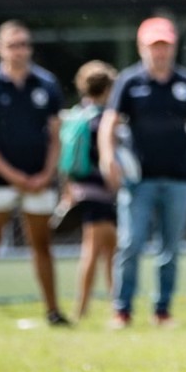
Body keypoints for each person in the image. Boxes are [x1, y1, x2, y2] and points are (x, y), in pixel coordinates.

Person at [99, 16, 186, 328]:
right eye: (154, 46)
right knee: (131, 243)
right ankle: (122, 310)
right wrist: (107, 156)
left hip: (179, 178)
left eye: (165, 45)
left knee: (170, 249)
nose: (160, 52)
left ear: (173, 47)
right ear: (142, 47)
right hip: (138, 180)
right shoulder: (129, 82)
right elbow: (109, 123)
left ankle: (162, 310)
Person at [0, 19, 67, 328]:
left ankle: (53, 312)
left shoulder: (46, 83)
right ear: (0, 48)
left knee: (42, 245)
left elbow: (55, 136)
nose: (19, 51)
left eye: (24, 44)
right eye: (12, 45)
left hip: (39, 180)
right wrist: (14, 175)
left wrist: (46, 173)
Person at [61, 61, 120, 320]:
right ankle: (83, 310)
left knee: (110, 251)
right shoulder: (103, 120)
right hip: (102, 193)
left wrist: (68, 190)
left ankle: (115, 306)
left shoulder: (76, 115)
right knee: (96, 251)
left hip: (81, 191)